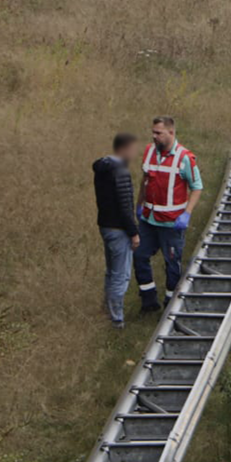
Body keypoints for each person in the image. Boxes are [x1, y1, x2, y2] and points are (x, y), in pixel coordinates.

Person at [133, 115, 202, 313]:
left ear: (171, 133)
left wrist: (187, 213)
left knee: (172, 264)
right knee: (139, 255)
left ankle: (171, 305)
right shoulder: (149, 152)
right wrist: (139, 205)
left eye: (158, 133)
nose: (154, 137)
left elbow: (197, 187)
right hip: (148, 219)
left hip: (171, 224)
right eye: (153, 132)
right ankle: (148, 300)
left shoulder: (184, 158)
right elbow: (145, 180)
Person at [93, 132, 140, 328]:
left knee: (111, 271)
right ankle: (116, 319)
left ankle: (107, 308)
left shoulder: (102, 168)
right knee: (121, 275)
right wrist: (133, 232)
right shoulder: (120, 171)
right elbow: (124, 205)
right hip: (119, 229)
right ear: (125, 148)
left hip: (105, 226)